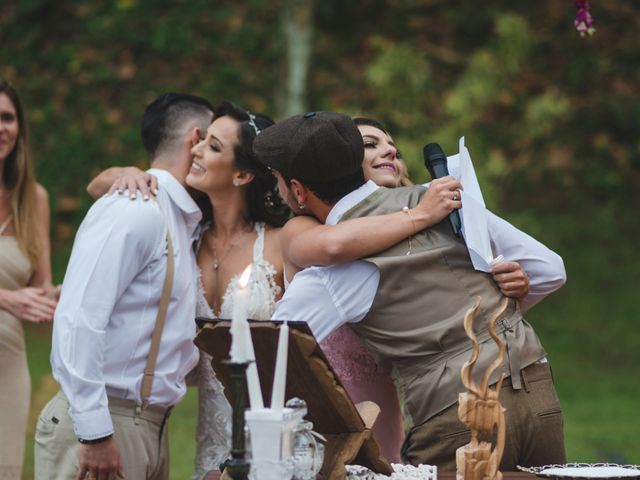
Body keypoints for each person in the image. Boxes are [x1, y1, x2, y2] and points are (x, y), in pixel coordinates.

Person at [254, 111, 567, 470]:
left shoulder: (336, 268)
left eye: (277, 180)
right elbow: (549, 269)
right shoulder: (442, 199)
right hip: (537, 388)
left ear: (297, 189)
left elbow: (274, 348)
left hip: (457, 414)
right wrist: (502, 306)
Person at [86, 100, 289, 479]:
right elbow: (96, 186)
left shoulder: (279, 243)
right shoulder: (188, 234)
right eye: (202, 140)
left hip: (269, 433)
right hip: (210, 438)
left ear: (242, 175)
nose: (195, 149)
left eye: (213, 146)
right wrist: (127, 171)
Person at [34, 92, 214, 480]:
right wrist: (96, 432)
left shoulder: (184, 221)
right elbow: (79, 317)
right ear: (196, 139)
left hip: (150, 426)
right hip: (106, 422)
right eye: (212, 142)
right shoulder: (134, 208)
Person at [0, 79, 57, 479]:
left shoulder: (34, 198)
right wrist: (8, 299)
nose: (0, 127)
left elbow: (41, 290)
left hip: (8, 363)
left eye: (7, 117)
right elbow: (18, 299)